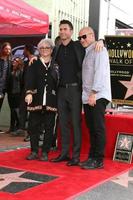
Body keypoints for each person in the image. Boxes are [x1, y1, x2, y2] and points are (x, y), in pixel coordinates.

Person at [51, 20, 104, 166]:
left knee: (75, 123)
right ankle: (64, 154)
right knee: (63, 123)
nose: (62, 31)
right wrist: (35, 58)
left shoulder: (78, 46)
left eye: (65, 29)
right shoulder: (56, 49)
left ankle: (75, 157)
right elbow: (46, 56)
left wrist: (102, 40)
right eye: (60, 29)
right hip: (61, 90)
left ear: (71, 31)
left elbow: (93, 44)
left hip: (75, 90)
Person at [78, 27, 111, 169]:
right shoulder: (87, 51)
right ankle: (92, 157)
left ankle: (98, 159)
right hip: (88, 97)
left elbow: (100, 72)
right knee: (91, 128)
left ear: (92, 36)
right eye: (80, 38)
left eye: (84, 36)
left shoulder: (99, 49)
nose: (81, 40)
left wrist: (94, 93)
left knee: (98, 128)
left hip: (97, 95)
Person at [25, 38, 59, 161]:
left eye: (47, 47)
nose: (45, 50)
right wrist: (28, 93)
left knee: (49, 127)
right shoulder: (33, 63)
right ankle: (34, 151)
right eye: (42, 48)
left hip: (51, 100)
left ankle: (45, 151)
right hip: (36, 99)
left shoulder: (56, 64)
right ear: (39, 50)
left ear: (51, 50)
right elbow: (29, 79)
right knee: (34, 126)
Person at [16, 44, 35, 140]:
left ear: (27, 50)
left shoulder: (34, 61)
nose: (23, 51)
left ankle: (31, 133)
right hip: (25, 89)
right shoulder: (27, 62)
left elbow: (31, 77)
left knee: (32, 112)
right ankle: (22, 128)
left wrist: (29, 91)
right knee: (23, 109)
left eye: (24, 49)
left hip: (31, 91)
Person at [7, 57, 24, 134]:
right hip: (11, 94)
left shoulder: (20, 71)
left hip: (18, 94)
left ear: (19, 63)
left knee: (16, 111)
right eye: (14, 60)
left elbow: (22, 83)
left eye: (16, 61)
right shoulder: (11, 71)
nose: (14, 61)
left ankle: (20, 128)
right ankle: (12, 128)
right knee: (12, 111)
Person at [0, 42, 12, 133]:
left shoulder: (10, 60)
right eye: (6, 49)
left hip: (3, 89)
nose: (8, 51)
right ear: (2, 49)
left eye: (9, 49)